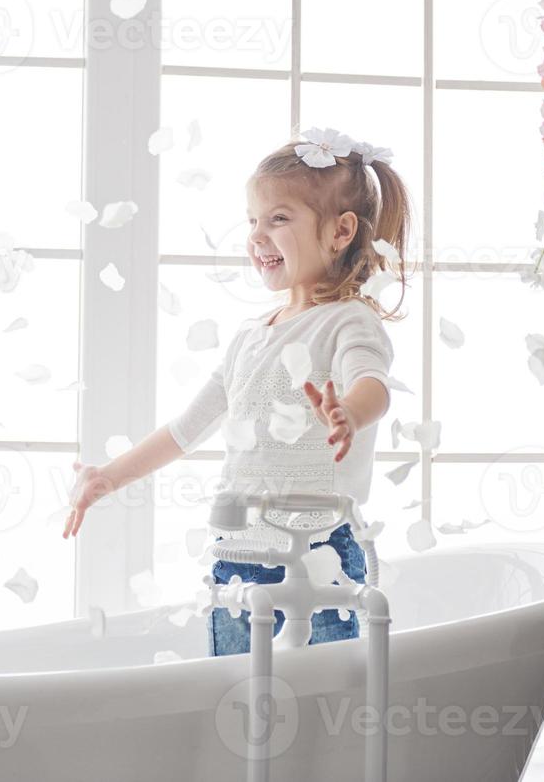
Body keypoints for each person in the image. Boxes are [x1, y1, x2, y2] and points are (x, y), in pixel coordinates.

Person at [63, 126, 412, 655]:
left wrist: (348, 412)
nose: (256, 235)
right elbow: (185, 430)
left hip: (316, 551)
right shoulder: (251, 338)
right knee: (237, 693)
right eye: (252, 220)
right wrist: (109, 477)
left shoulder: (348, 322)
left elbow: (373, 384)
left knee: (322, 691)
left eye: (278, 218)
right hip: (239, 554)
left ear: (340, 232)